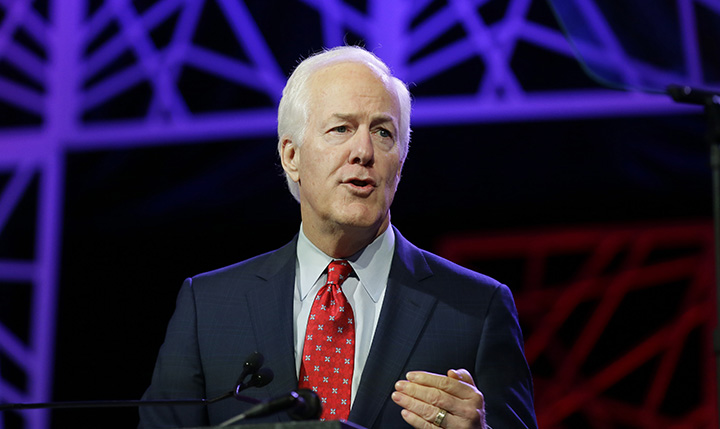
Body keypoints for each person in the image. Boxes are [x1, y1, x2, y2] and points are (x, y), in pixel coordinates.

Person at [139, 46, 537, 429]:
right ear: (291, 156)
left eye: (383, 132)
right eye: (341, 128)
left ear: (400, 161)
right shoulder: (208, 307)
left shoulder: (476, 309)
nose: (363, 151)